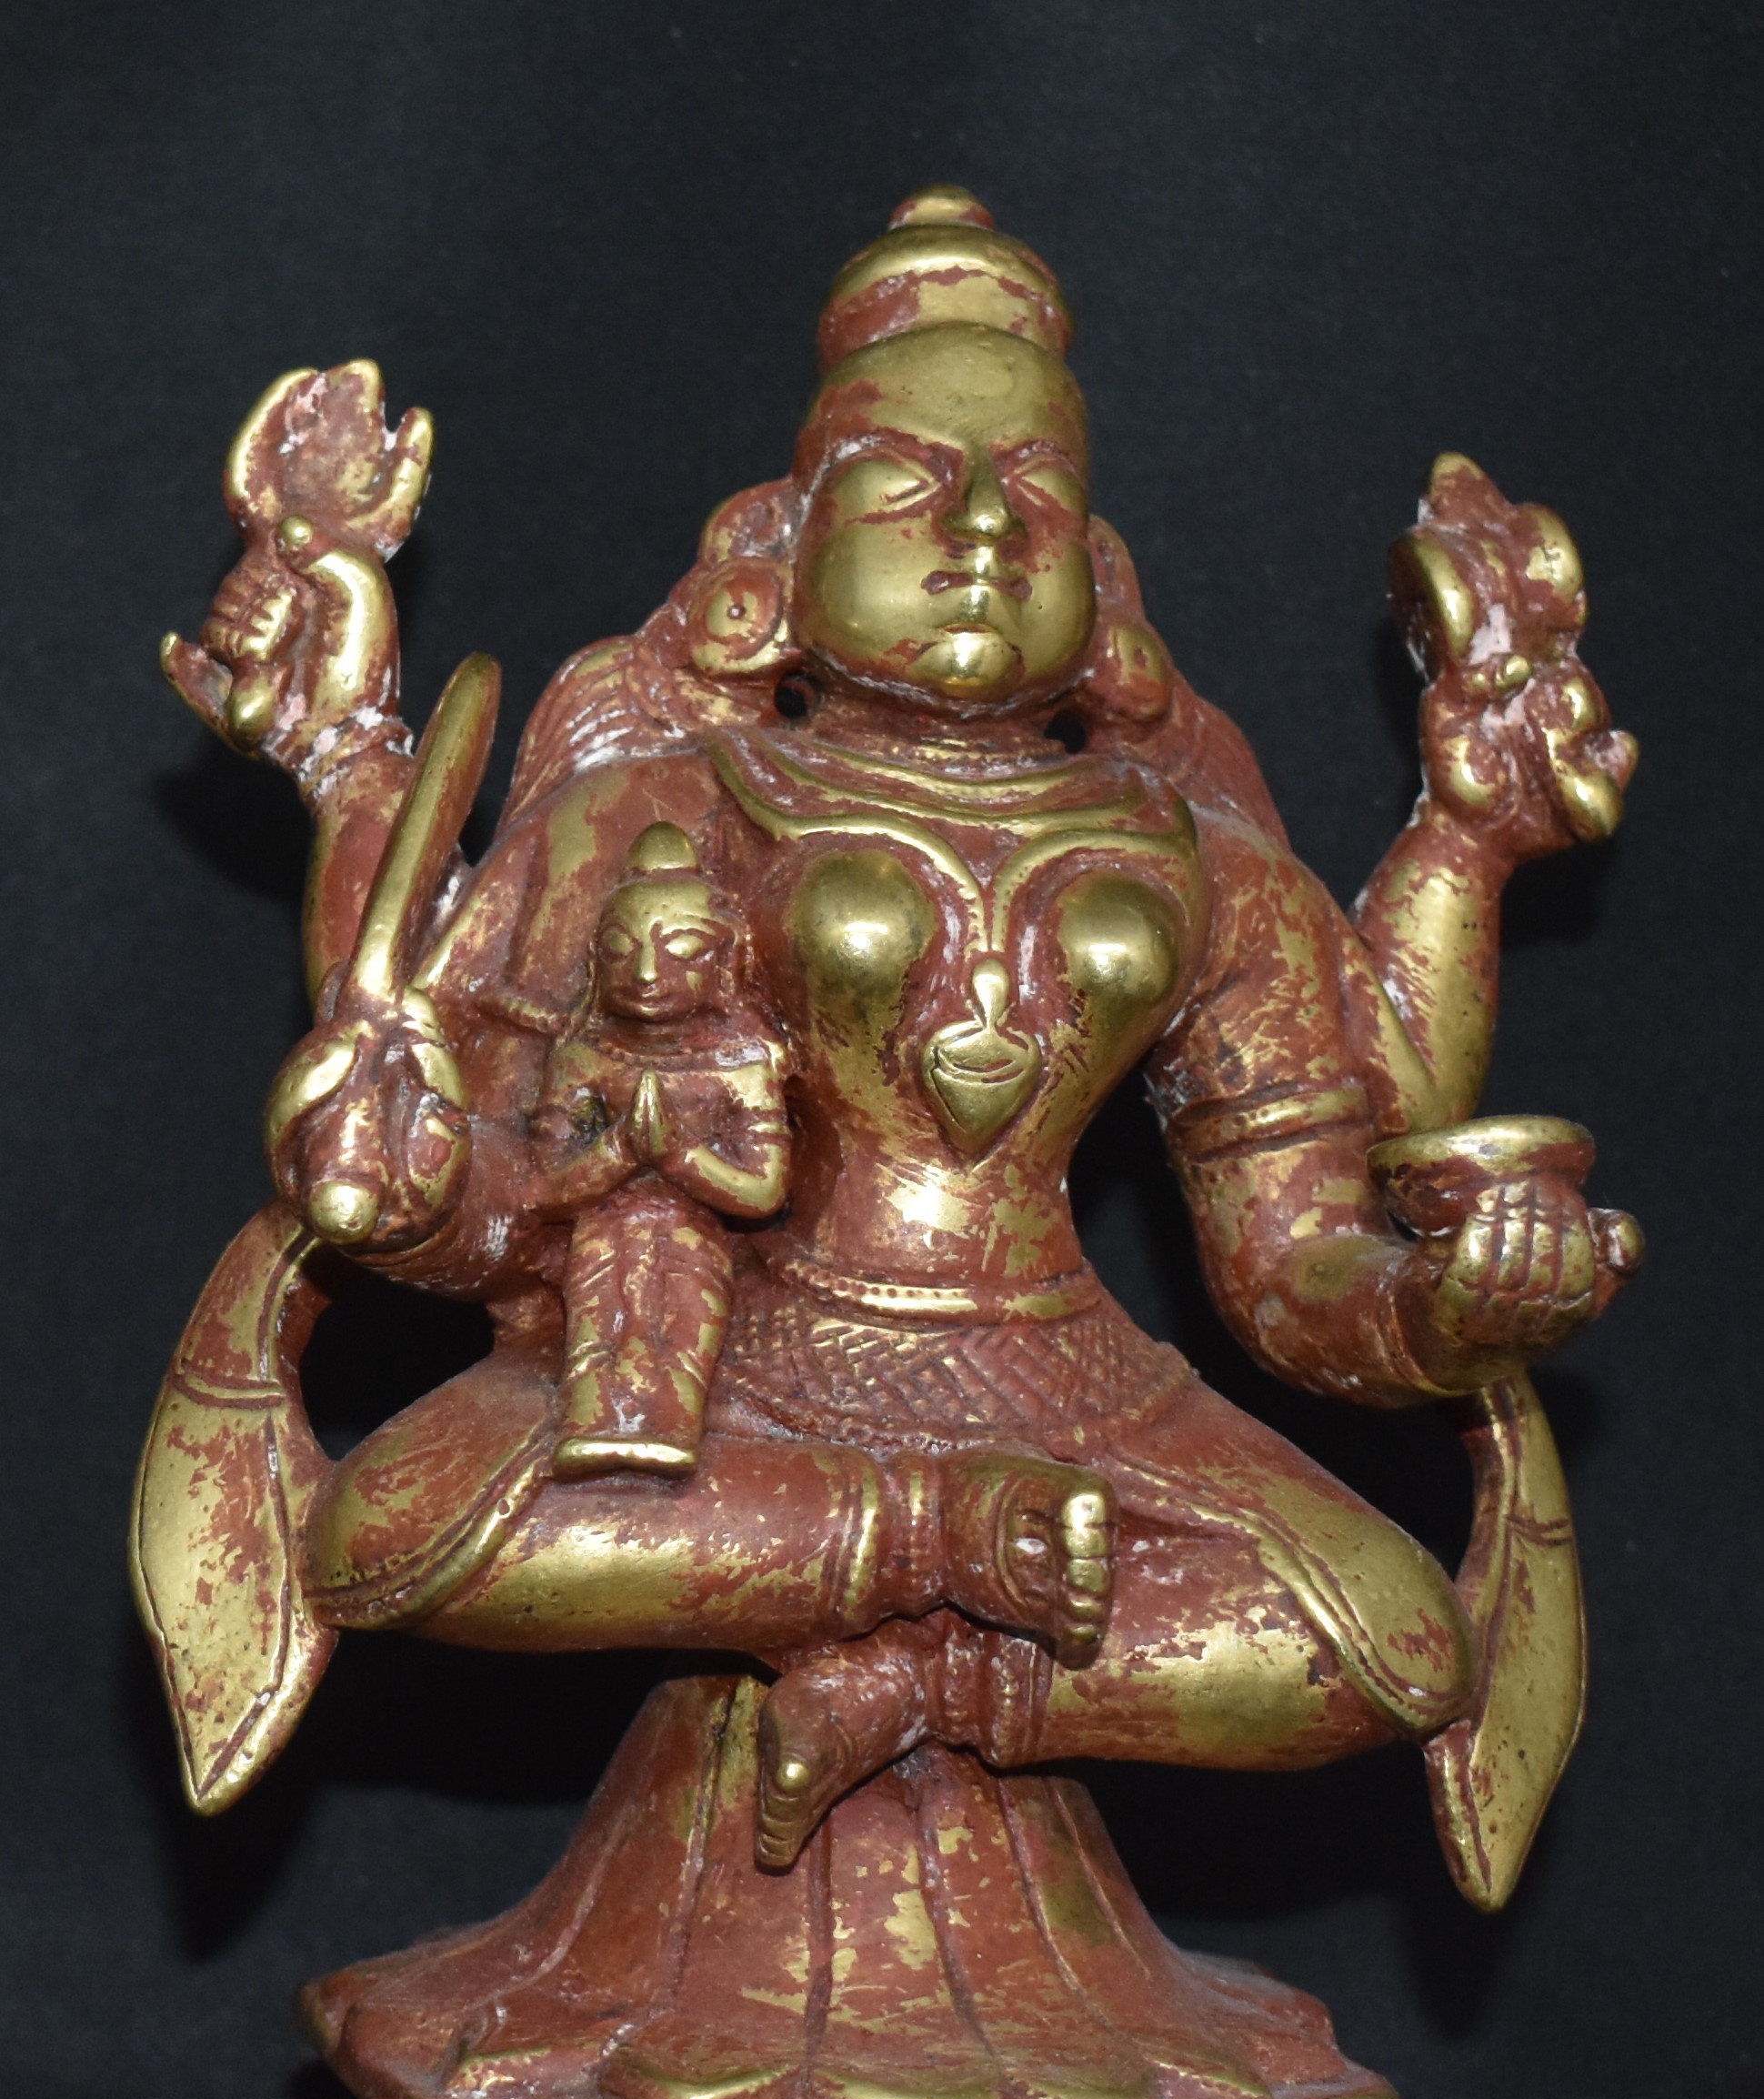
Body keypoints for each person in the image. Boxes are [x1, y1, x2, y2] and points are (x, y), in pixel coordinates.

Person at [155, 187, 1639, 1897]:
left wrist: (1445, 1308)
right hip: (734, 1369)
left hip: (1068, 1377)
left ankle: (932, 1687)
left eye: (1039, 494)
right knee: (391, 1531)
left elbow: (1294, 1259)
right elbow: (508, 1190)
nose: (987, 529)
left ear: (1102, 572)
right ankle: (937, 1546)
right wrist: (414, 1181)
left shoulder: (1194, 861)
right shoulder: (664, 801)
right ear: (780, 556)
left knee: (1397, 1640)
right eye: (910, 484)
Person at [527, 821, 788, 1478]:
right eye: (622, 950)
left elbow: (764, 1192)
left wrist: (678, 1158)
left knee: (681, 1311)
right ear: (596, 962)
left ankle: (670, 1424)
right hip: (603, 1224)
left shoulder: (741, 1064)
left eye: (682, 950)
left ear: (723, 963)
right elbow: (546, 1188)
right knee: (600, 1302)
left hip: (692, 1227)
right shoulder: (586, 1057)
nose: (646, 973)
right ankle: (591, 1420)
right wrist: (619, 1151)